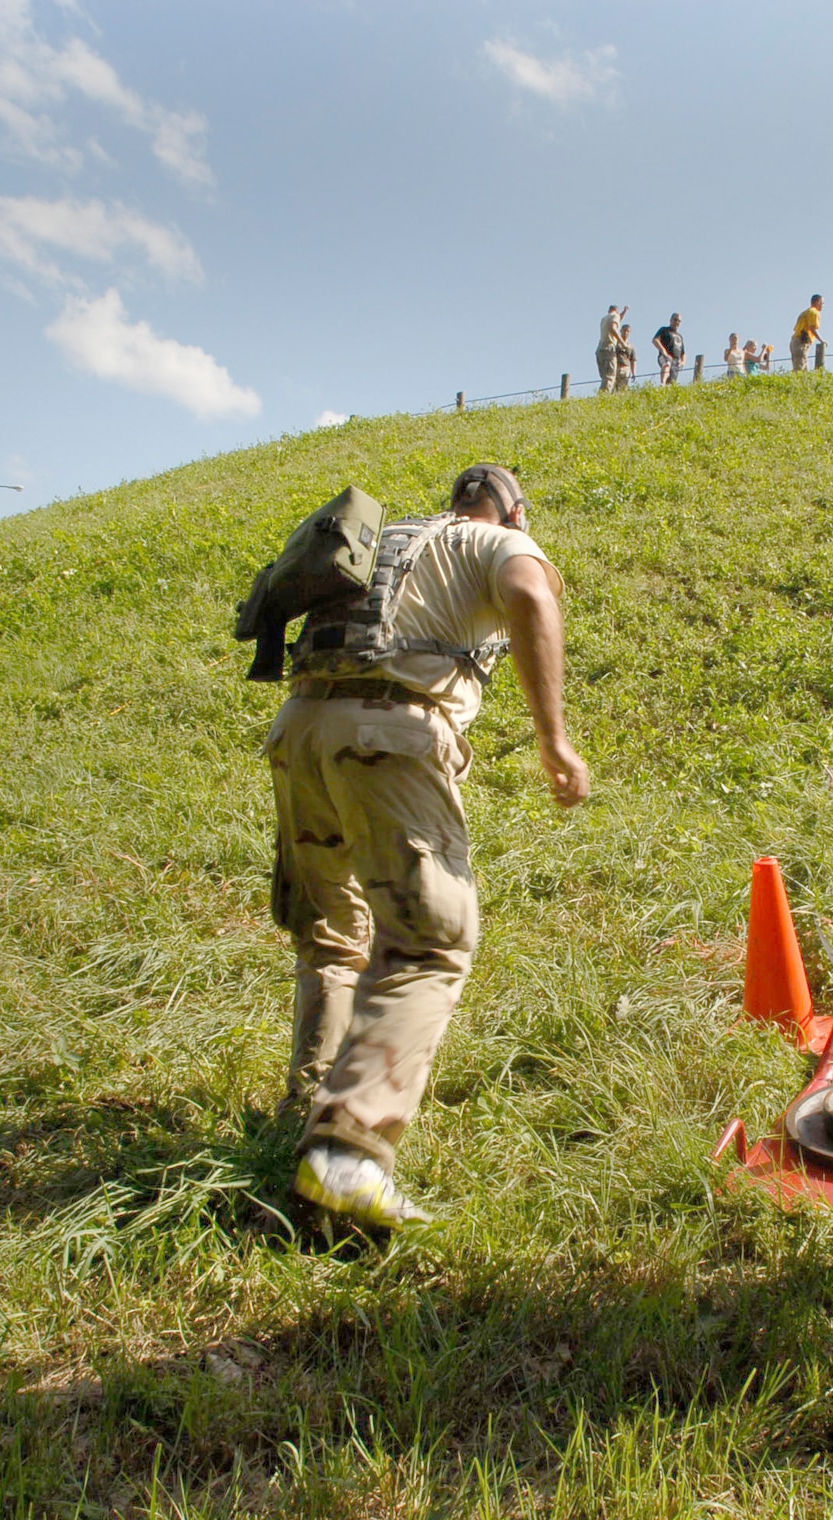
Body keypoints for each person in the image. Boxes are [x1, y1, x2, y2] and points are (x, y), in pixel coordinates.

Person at [274, 465, 590, 1230]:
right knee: (430, 943)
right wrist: (553, 739)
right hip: (386, 735)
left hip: (299, 731)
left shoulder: (387, 539)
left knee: (334, 935)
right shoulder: (494, 540)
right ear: (513, 509)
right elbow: (531, 596)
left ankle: (308, 1114)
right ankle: (347, 1152)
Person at [596, 304, 626, 390]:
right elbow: (613, 328)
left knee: (604, 377)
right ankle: (605, 397)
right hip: (609, 347)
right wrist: (622, 342)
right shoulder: (615, 316)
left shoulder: (604, 319)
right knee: (610, 375)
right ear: (617, 310)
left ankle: (602, 395)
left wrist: (624, 312)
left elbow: (618, 319)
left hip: (600, 349)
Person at [791, 294, 823, 371]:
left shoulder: (805, 312)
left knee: (803, 366)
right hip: (801, 341)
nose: (822, 305)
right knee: (800, 367)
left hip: (795, 341)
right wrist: (821, 340)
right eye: (822, 303)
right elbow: (812, 328)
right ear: (818, 302)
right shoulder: (814, 312)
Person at [653, 314, 685, 385]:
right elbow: (655, 340)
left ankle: (668, 389)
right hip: (665, 356)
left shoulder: (680, 336)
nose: (677, 322)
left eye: (679, 321)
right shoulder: (664, 330)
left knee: (673, 379)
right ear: (671, 320)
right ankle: (662, 383)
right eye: (675, 319)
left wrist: (682, 362)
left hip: (676, 360)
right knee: (667, 364)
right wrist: (663, 351)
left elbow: (683, 352)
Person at [612, 324, 637, 391]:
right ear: (620, 331)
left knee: (623, 388)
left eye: (628, 331)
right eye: (624, 331)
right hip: (615, 367)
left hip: (625, 368)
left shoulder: (631, 347)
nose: (626, 333)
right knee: (612, 387)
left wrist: (634, 373)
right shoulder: (615, 343)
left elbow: (633, 360)